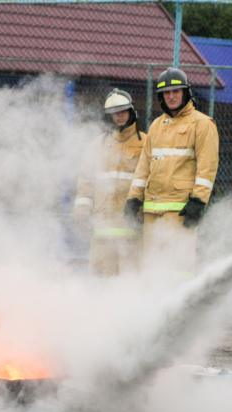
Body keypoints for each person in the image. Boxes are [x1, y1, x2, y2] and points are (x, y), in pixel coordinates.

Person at [124, 67, 219, 277]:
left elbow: (207, 165)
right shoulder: (157, 125)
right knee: (151, 270)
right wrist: (133, 199)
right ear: (161, 96)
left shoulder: (202, 124)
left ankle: (180, 310)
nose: (171, 96)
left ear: (186, 93)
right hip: (152, 212)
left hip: (181, 212)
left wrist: (199, 201)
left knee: (177, 271)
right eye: (166, 92)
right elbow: (144, 166)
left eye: (176, 91)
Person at [73, 89, 146, 276]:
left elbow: (152, 183)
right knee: (101, 283)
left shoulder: (145, 143)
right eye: (115, 112)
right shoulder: (97, 144)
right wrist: (82, 213)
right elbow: (86, 183)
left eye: (122, 110)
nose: (119, 116)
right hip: (102, 230)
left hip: (132, 231)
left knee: (129, 283)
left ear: (131, 111)